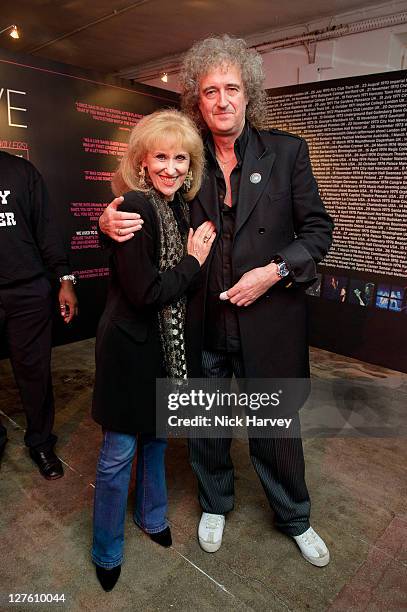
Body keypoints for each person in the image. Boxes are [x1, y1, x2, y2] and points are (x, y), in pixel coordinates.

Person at [99, 35, 334, 568]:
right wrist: (104, 222)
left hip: (268, 318)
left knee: (275, 429)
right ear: (197, 101)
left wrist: (274, 272)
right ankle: (215, 502)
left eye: (232, 88)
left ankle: (295, 516)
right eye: (210, 91)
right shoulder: (187, 157)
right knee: (207, 425)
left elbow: (319, 230)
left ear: (249, 94)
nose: (223, 100)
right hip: (201, 321)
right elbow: (139, 205)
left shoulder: (287, 152)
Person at [91, 109, 215, 591]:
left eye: (180, 157)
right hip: (130, 350)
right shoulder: (134, 207)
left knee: (158, 443)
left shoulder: (180, 207)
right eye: (160, 156)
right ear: (143, 161)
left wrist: (187, 264)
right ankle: (106, 549)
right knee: (119, 452)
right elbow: (145, 292)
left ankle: (153, 518)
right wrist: (193, 261)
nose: (170, 167)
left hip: (166, 350)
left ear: (191, 165)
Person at [0, 151, 77, 479]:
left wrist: (65, 280)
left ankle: (41, 442)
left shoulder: (20, 170)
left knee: (34, 373)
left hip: (27, 290)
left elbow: (47, 228)